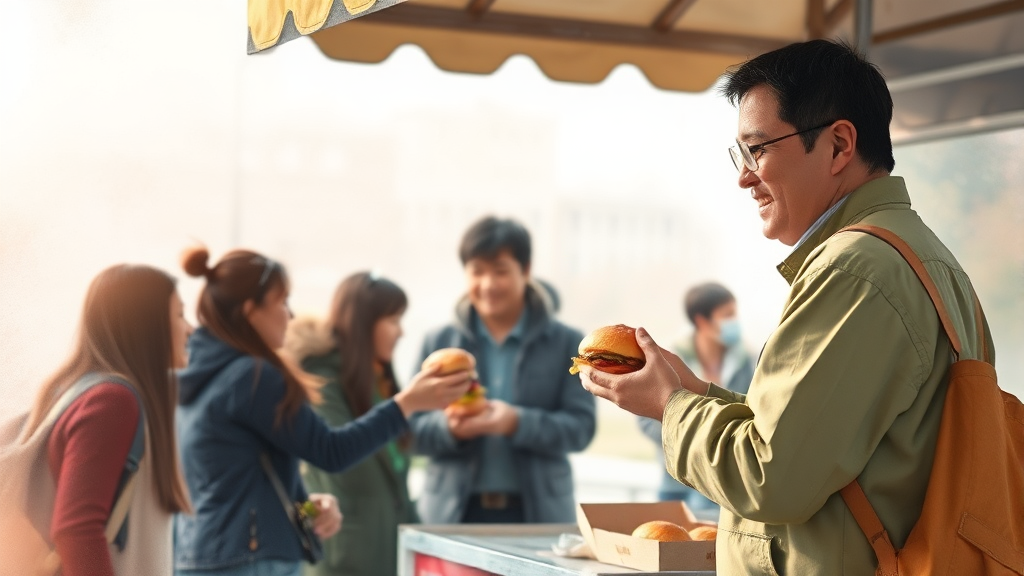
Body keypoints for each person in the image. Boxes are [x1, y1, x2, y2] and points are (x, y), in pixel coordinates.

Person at [578, 39, 994, 575]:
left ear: (839, 145)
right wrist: (694, 392)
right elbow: (813, 436)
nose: (744, 176)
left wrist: (670, 406)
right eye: (741, 154)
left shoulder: (855, 268)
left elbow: (770, 477)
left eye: (759, 150)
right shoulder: (920, 256)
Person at [174, 248, 472, 576]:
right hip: (253, 560)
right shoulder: (252, 376)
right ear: (251, 311)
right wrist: (407, 404)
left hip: (205, 553)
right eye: (282, 301)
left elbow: (240, 476)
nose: (290, 315)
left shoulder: (203, 375)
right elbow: (331, 451)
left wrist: (303, 506)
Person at [410, 216, 596, 524]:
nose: (488, 284)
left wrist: (516, 422)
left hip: (537, 516)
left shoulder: (567, 342)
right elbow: (408, 431)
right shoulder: (439, 342)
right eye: (477, 271)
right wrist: (449, 428)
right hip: (452, 515)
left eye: (500, 271)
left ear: (525, 271)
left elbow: (581, 429)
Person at [18, 264, 193, 576]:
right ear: (146, 325)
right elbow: (76, 530)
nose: (190, 328)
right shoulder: (113, 402)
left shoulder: (77, 390)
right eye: (180, 315)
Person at [282, 272, 418, 576]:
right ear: (364, 322)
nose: (402, 332)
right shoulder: (320, 378)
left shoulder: (377, 382)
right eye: (394, 320)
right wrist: (407, 404)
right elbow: (337, 451)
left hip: (388, 554)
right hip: (342, 559)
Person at [637, 282, 753, 519]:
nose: (734, 322)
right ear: (702, 320)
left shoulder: (746, 362)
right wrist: (684, 436)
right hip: (673, 479)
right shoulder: (669, 359)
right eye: (727, 316)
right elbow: (645, 416)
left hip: (718, 477)